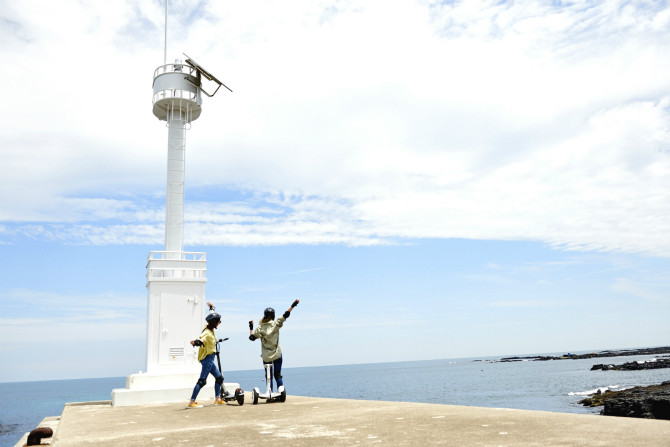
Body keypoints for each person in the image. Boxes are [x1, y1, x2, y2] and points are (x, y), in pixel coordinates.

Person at [248, 299, 299, 392]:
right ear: (273, 316)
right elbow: (285, 315)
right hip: (277, 354)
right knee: (277, 374)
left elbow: (252, 338)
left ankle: (269, 393)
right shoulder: (276, 324)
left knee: (269, 376)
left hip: (266, 356)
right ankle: (281, 392)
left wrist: (251, 327)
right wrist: (293, 305)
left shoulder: (260, 328)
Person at [188, 305, 225, 408]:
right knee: (202, 381)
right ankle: (192, 402)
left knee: (219, 378)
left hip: (210, 359)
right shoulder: (207, 332)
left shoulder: (210, 328)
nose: (219, 323)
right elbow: (201, 339)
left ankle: (217, 399)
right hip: (207, 359)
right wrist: (196, 342)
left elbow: (211, 317)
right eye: (219, 321)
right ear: (214, 323)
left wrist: (212, 309)